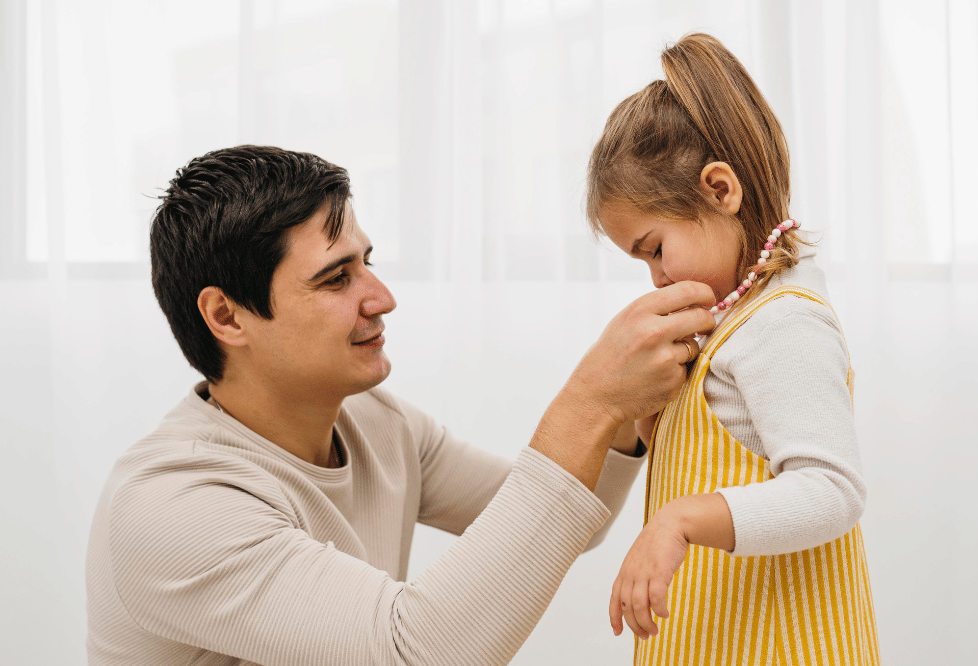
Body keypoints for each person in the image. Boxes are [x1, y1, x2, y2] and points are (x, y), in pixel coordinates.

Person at [85, 145, 717, 665]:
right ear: (227, 316)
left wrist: (622, 415)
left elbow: (572, 520)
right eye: (337, 278)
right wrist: (589, 399)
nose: (381, 297)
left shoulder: (376, 423)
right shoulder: (171, 506)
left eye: (369, 263)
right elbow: (417, 653)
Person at [587, 34, 880, 665]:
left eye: (654, 249)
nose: (656, 279)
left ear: (721, 191)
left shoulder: (783, 323)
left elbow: (831, 489)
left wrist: (677, 520)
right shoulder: (733, 322)